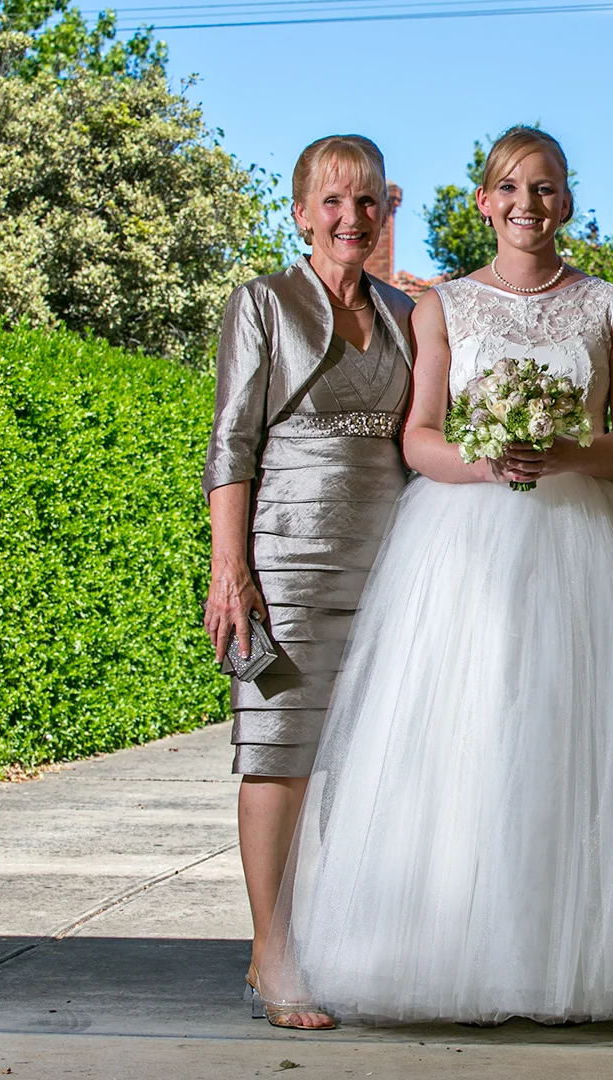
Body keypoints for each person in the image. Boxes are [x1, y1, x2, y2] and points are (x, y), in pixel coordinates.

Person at [255, 126, 613, 1026]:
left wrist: (571, 453)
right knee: (470, 739)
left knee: (582, 743)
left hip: (593, 541)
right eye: (513, 188)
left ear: (568, 202)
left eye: (547, 187)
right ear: (485, 202)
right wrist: (485, 464)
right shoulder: (440, 308)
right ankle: (457, 956)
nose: (530, 203)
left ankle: (591, 962)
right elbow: (419, 437)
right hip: (465, 542)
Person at [203, 134, 414, 1031]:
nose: (350, 218)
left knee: (368, 762)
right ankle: (273, 948)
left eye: (366, 201)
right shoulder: (260, 302)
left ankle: (351, 942)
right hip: (284, 561)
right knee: (278, 751)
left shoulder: (407, 312)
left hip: (392, 560)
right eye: (332, 201)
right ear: (300, 213)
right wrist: (230, 571)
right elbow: (231, 442)